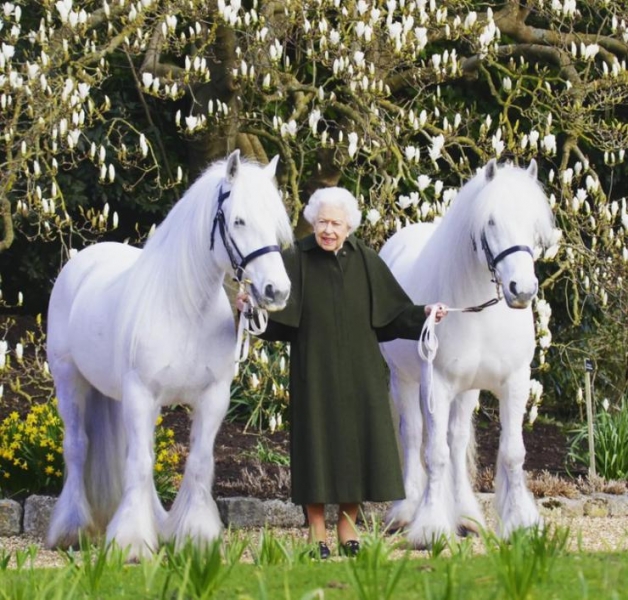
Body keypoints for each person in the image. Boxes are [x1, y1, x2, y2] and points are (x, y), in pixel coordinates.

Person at [237, 186, 447, 559]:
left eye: (335, 223)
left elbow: (394, 314)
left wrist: (427, 313)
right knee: (315, 447)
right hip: (313, 371)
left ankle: (347, 523)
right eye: (321, 222)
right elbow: (273, 319)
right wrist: (248, 309)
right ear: (312, 224)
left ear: (349, 226)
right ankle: (316, 527)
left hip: (360, 372)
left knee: (357, 448)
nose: (328, 230)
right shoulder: (296, 259)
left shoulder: (366, 260)